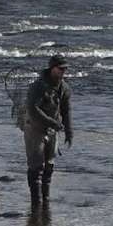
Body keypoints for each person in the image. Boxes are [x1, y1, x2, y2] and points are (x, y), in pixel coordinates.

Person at [22, 54, 73, 211]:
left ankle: (46, 201)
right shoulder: (37, 86)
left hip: (53, 130)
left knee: (49, 166)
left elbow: (66, 110)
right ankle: (36, 204)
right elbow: (32, 109)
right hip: (35, 129)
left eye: (65, 69)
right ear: (52, 68)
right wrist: (53, 123)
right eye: (60, 69)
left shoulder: (64, 88)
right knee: (36, 166)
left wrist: (69, 131)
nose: (63, 72)